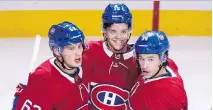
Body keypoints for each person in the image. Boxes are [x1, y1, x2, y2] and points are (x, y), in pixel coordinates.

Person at [13, 21, 90, 110]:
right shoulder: (44, 80)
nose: (78, 53)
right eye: (71, 48)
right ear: (57, 51)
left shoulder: (87, 63)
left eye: (79, 46)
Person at [85, 3, 139, 110]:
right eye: (113, 31)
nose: (119, 37)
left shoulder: (141, 59)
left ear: (129, 31)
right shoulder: (88, 51)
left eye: (123, 31)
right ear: (104, 31)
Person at [130, 31, 188, 110]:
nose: (144, 65)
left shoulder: (165, 94)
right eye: (141, 58)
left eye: (150, 59)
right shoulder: (169, 65)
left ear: (163, 58)